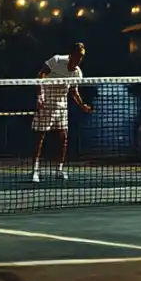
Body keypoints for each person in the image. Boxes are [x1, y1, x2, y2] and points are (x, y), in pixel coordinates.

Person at [31, 42, 93, 183]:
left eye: (82, 57)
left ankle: (59, 169)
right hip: (47, 101)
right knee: (40, 137)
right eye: (78, 55)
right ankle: (35, 170)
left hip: (62, 105)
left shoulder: (77, 73)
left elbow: (73, 91)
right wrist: (40, 97)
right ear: (71, 54)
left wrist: (82, 105)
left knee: (63, 138)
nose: (79, 59)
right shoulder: (57, 60)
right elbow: (41, 75)